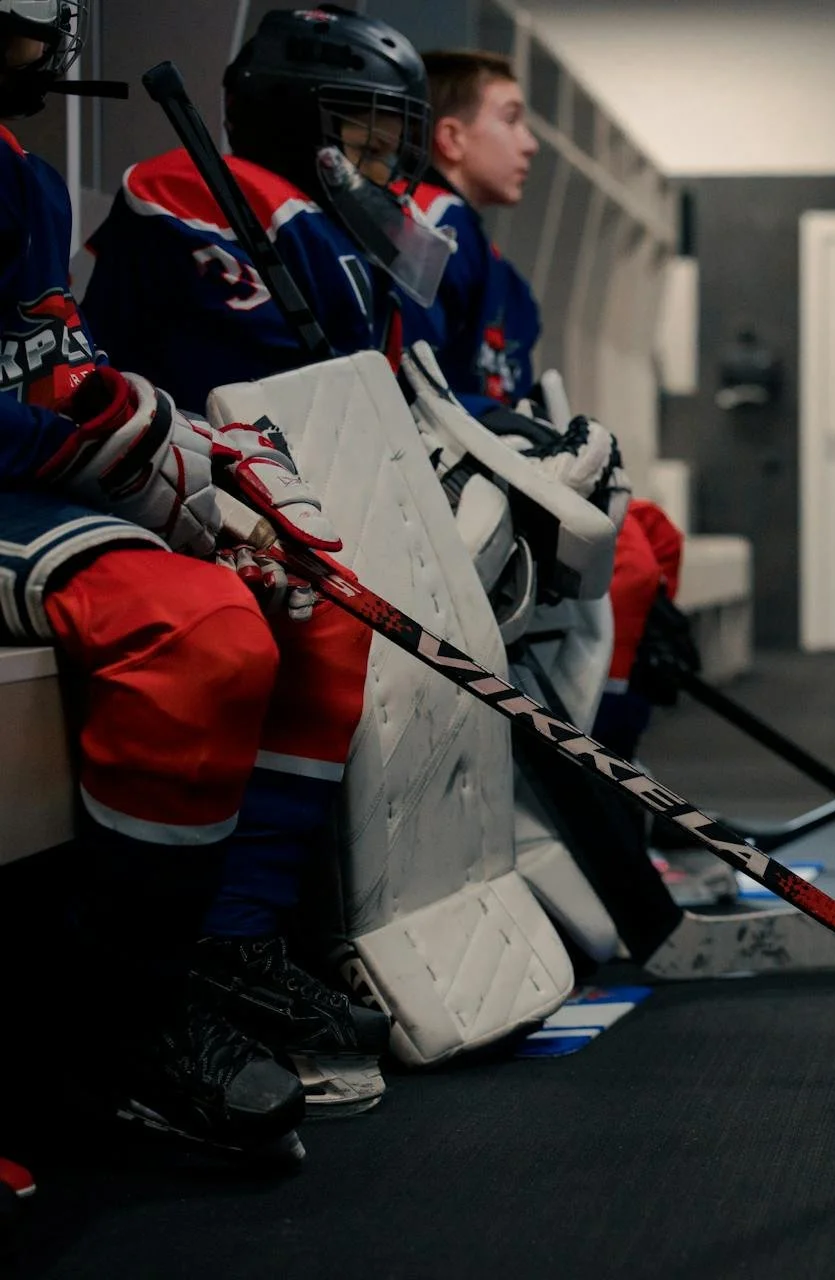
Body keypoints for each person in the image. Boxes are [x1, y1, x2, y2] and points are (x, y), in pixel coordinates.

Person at [0, 1, 391, 1162]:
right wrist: (100, 439)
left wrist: (192, 452)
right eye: (18, 23)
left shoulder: (19, 176)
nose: (42, 41)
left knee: (312, 588)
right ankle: (124, 1019)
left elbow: (51, 359)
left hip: (17, 479)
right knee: (197, 631)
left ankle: (232, 946)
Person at [79, 4, 459, 1122]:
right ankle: (218, 947)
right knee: (301, 616)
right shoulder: (197, 188)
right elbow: (244, 376)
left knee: (343, 617)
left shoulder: (336, 221)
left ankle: (259, 933)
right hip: (162, 487)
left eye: (393, 133)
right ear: (298, 118)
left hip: (266, 488)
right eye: (363, 127)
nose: (382, 155)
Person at [401, 49, 694, 760]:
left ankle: (622, 785)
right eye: (510, 118)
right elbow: (415, 385)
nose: (530, 142)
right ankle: (600, 787)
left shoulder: (496, 265)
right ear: (451, 138)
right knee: (622, 564)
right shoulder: (430, 225)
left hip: (497, 474)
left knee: (652, 534)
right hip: (448, 488)